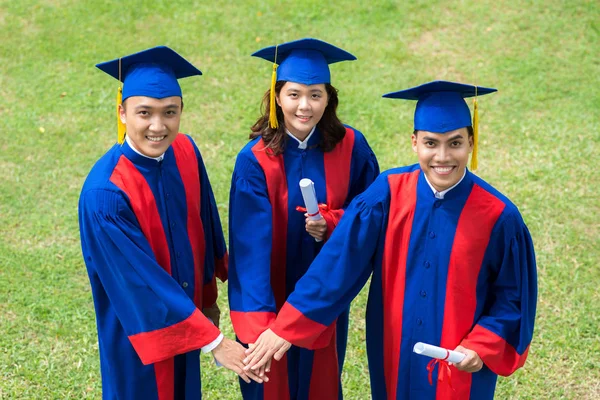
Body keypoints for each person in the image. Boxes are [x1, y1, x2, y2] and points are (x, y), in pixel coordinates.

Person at [243, 81, 538, 400]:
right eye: (430, 143)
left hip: (459, 362)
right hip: (394, 352)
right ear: (414, 143)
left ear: (471, 142)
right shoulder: (388, 193)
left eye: (454, 143)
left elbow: (512, 298)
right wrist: (287, 325)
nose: (442, 156)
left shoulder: (498, 216)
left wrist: (482, 345)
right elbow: (338, 264)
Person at [78, 46, 262, 400]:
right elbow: (139, 282)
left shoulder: (186, 152)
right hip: (138, 335)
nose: (157, 126)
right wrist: (214, 341)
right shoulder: (106, 194)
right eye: (144, 113)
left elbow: (204, 228)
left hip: (188, 319)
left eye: (169, 112)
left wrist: (208, 299)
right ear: (122, 112)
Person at [228, 38, 380, 400]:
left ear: (329, 98)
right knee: (270, 386)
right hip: (270, 300)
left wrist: (333, 222)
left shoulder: (352, 147)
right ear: (277, 96)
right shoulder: (255, 160)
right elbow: (248, 252)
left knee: (320, 386)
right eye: (294, 94)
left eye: (315, 94)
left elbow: (372, 218)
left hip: (323, 296)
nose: (304, 106)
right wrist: (260, 329)